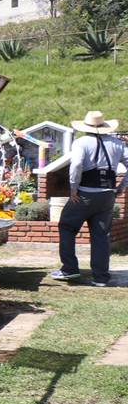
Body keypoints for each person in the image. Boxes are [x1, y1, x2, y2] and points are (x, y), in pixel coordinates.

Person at [51, 111, 128, 287]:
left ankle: (69, 269)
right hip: (108, 194)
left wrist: (73, 189)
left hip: (84, 193)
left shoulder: (81, 142)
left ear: (86, 126)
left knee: (67, 227)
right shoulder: (117, 143)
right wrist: (121, 187)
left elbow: (77, 165)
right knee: (101, 235)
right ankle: (100, 277)